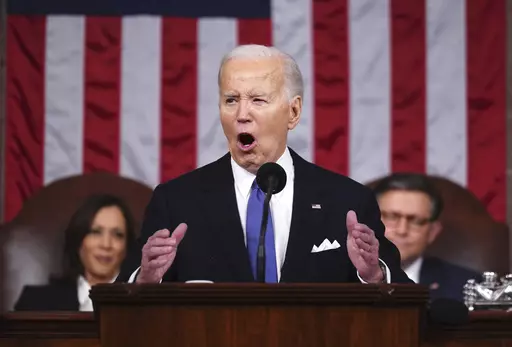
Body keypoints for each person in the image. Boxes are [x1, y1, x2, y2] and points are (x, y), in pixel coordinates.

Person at [116, 44, 411, 285]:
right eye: (231, 100)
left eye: (257, 100)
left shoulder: (346, 201)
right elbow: (123, 297)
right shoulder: (176, 201)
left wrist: (373, 275)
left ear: (293, 112)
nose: (241, 114)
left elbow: (402, 295)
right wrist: (146, 278)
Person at [14, 194, 136, 311]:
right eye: (95, 232)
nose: (106, 244)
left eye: (117, 235)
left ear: (127, 247)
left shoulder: (141, 305)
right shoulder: (34, 302)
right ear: (78, 241)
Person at [373, 173, 481, 301]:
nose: (402, 230)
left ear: (433, 232)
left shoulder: (467, 287)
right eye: (391, 217)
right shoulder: (343, 276)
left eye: (416, 221)